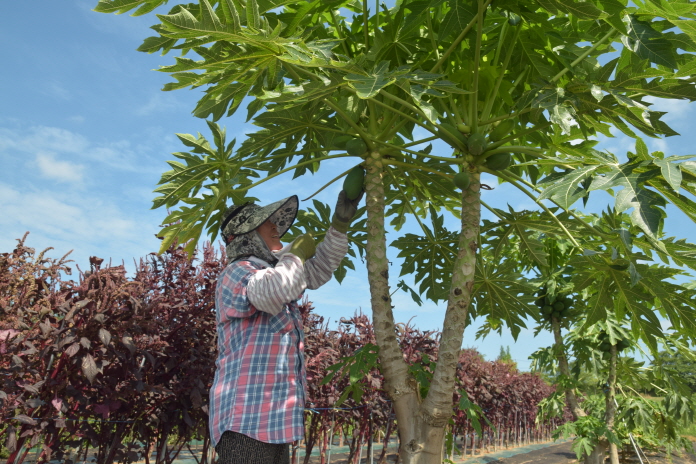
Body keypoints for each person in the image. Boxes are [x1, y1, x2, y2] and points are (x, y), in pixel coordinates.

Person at [209, 190, 362, 464]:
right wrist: (297, 254)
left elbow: (317, 271)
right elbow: (272, 290)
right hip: (246, 420)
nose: (274, 227)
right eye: (265, 224)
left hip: (275, 421)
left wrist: (339, 225)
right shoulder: (237, 271)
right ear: (246, 237)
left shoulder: (275, 272)